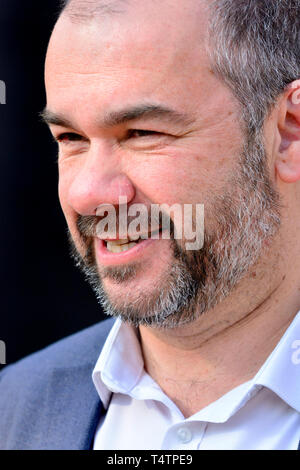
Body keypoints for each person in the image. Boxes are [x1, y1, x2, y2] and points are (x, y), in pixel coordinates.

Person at [1, 0, 300, 450]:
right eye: (71, 139)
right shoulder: (14, 409)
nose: (87, 194)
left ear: (288, 131)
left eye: (141, 133)